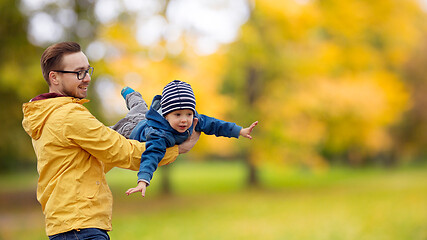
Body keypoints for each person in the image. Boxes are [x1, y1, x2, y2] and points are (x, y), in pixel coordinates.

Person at [21, 42, 200, 239]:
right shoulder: (68, 116)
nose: (87, 78)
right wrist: (178, 149)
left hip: (72, 224)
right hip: (80, 227)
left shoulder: (48, 114)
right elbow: (122, 152)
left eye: (87, 70)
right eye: (79, 73)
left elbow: (96, 160)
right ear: (54, 77)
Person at [112, 80, 258, 197]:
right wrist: (143, 180)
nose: (184, 120)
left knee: (140, 107)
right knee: (117, 126)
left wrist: (240, 131)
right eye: (178, 115)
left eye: (188, 114)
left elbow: (215, 124)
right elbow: (151, 156)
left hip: (146, 118)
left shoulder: (194, 120)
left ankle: (131, 94)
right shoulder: (160, 135)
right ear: (166, 115)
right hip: (131, 129)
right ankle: (129, 93)